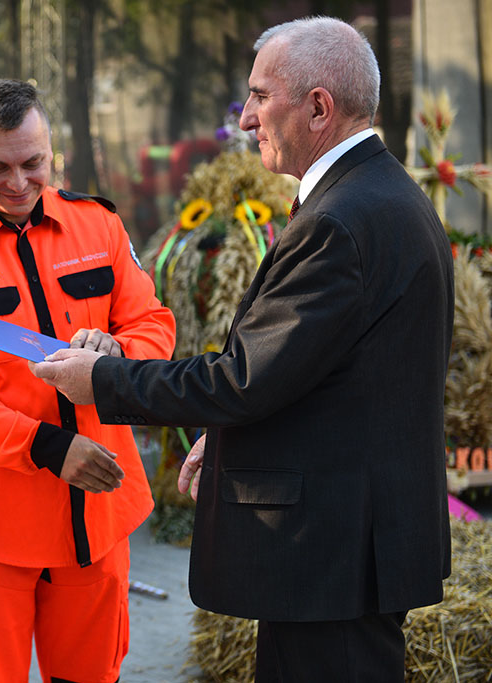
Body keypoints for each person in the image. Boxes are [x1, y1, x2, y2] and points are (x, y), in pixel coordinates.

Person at [32, 16, 454, 682]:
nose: (247, 118)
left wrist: (104, 379)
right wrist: (230, 437)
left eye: (260, 96)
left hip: (331, 560)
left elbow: (244, 378)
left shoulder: (342, 221)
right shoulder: (379, 194)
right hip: (344, 551)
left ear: (319, 107)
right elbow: (324, 377)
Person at [0, 79, 176, 681]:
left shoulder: (96, 224)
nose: (18, 183)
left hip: (96, 518)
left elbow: (152, 321)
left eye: (33, 163)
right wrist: (47, 448)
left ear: (55, 154)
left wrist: (118, 352)